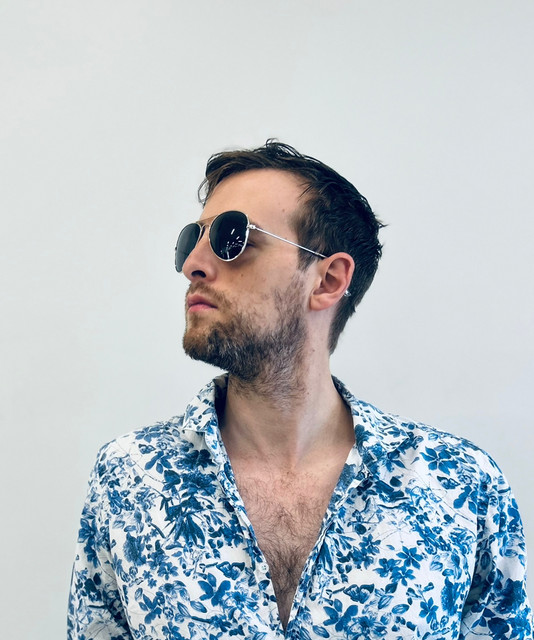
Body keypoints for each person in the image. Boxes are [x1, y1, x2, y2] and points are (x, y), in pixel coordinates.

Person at [68, 141, 532, 639]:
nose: (193, 265)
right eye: (191, 240)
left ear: (328, 280)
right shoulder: (129, 479)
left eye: (232, 236)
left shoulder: (460, 486)